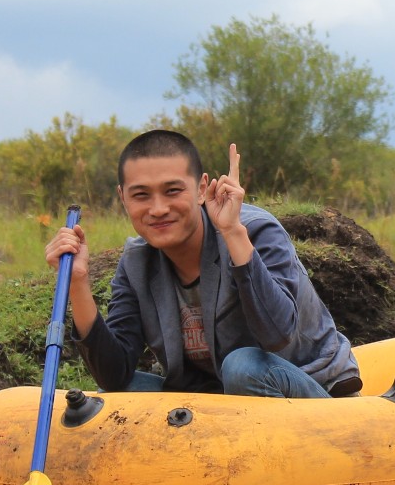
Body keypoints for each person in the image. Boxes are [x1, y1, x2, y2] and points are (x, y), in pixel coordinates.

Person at [44, 129, 362, 398]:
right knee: (122, 394)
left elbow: (277, 335)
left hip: (313, 390)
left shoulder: (255, 231)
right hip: (214, 399)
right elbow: (114, 377)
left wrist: (232, 232)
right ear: (123, 197)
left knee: (242, 367)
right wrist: (78, 283)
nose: (157, 209)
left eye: (172, 191)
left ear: (200, 189)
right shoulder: (136, 262)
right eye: (141, 195)